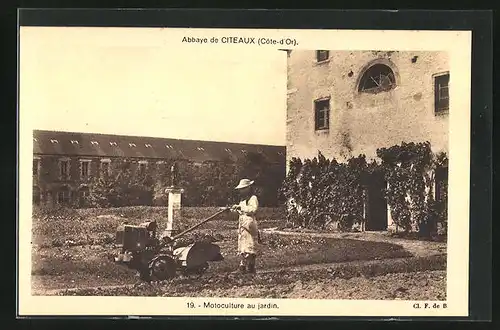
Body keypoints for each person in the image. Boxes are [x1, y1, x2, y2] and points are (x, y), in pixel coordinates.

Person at [230, 178, 260, 274]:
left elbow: (253, 210)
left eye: (243, 188)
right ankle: (242, 266)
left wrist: (241, 207)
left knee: (250, 245)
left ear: (248, 188)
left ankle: (250, 267)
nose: (241, 191)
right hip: (243, 223)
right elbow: (240, 211)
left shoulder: (253, 198)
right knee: (243, 245)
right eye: (240, 189)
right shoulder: (243, 200)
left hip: (250, 223)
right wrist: (233, 210)